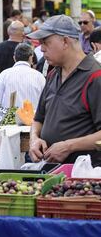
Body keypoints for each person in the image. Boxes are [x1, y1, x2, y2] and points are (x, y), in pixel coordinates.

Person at [27, 15, 101, 165]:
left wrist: (68, 146)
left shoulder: (95, 77)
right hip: (50, 169)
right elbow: (38, 119)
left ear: (65, 41)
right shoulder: (53, 74)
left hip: (82, 176)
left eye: (46, 42)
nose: (41, 48)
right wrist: (34, 139)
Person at [0, 43, 46, 109]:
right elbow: (45, 102)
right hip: (33, 118)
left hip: (9, 118)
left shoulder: (5, 74)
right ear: (31, 58)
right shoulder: (39, 77)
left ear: (14, 58)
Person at [0, 21, 25, 85]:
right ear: (23, 33)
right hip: (19, 87)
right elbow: (34, 69)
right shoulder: (26, 49)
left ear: (8, 31)